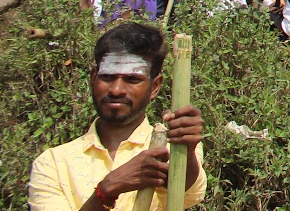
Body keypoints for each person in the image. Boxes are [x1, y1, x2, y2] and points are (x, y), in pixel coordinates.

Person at [28, 22, 207, 211]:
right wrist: (107, 189)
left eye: (132, 79)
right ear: (93, 79)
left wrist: (186, 151)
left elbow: (186, 189)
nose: (116, 90)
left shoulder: (174, 146)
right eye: (107, 77)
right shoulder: (53, 164)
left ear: (155, 86)